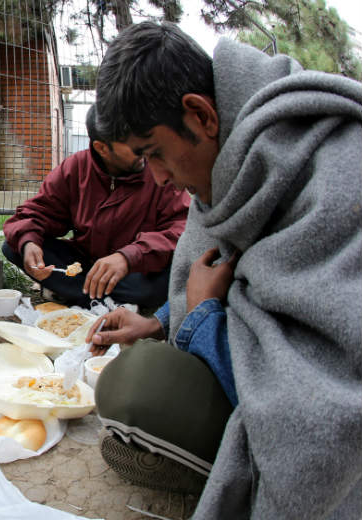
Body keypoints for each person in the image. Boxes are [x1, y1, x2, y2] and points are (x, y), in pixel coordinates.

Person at [86, 22, 361, 518]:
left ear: (200, 114)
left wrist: (205, 317)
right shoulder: (230, 162)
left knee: (142, 386)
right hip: (262, 370)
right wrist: (163, 320)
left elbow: (327, 408)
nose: (160, 178)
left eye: (155, 154)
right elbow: (232, 277)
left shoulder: (338, 170)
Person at [2, 104, 189, 309]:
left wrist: (128, 257)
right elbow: (37, 213)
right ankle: (104, 298)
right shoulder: (75, 168)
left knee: (157, 285)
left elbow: (181, 230)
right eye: (133, 145)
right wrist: (30, 243)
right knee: (15, 246)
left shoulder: (158, 169)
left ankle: (77, 293)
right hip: (86, 263)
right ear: (102, 148)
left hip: (136, 269)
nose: (143, 151)